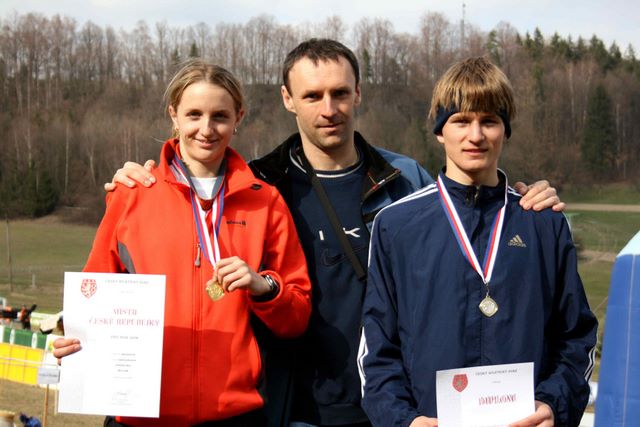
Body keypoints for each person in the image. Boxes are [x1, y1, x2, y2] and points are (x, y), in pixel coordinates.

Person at [105, 40, 565, 427]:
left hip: (396, 406)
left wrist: (521, 198)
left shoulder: (405, 179)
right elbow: (190, 208)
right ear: (288, 99)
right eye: (312, 96)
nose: (329, 109)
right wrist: (144, 180)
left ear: (358, 93)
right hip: (292, 406)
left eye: (340, 93)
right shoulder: (260, 186)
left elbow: (472, 230)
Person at [53, 59, 312, 427]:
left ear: (238, 117)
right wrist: (73, 338)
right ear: (174, 115)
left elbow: (296, 317)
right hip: (139, 416)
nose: (206, 129)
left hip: (233, 416)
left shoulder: (265, 201)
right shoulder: (132, 194)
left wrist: (264, 287)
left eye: (220, 116)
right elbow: (92, 295)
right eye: (194, 114)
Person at [357, 56, 598, 427]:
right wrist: (404, 421)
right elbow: (377, 351)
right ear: (440, 130)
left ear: (505, 130)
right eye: (461, 121)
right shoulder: (396, 225)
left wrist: (552, 405)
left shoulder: (544, 223)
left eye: (489, 121)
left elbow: (576, 338)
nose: (475, 135)